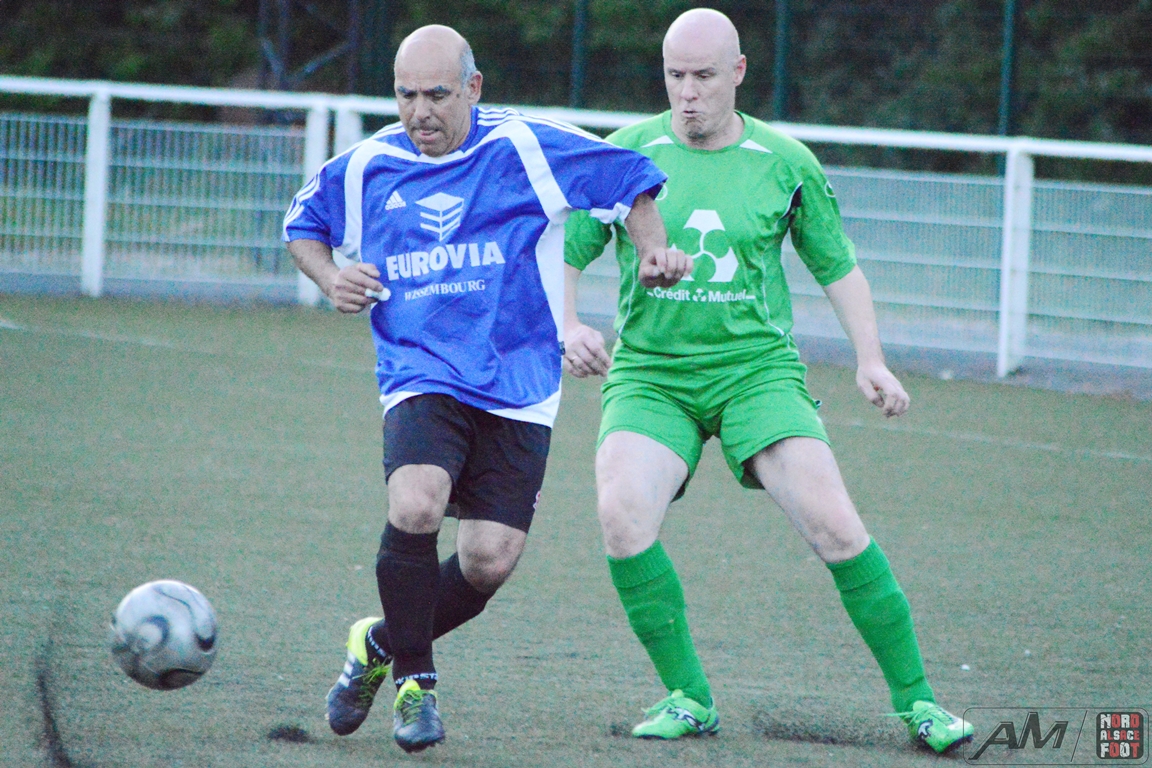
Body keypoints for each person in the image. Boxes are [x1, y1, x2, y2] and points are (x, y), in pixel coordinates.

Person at [563, 8, 974, 754]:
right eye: (675, 76)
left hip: (757, 373)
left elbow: (837, 266)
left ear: (739, 72)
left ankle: (919, 702)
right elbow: (565, 251)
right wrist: (566, 323)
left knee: (835, 525)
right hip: (651, 375)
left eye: (703, 76)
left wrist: (871, 359)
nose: (688, 93)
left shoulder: (785, 162)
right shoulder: (625, 153)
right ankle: (690, 697)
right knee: (621, 515)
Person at [283, 24, 683, 754]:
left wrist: (653, 249)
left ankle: (378, 643)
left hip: (518, 383)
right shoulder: (370, 165)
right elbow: (302, 225)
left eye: (436, 94)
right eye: (405, 95)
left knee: (488, 561)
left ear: (473, 88)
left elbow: (630, 178)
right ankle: (417, 687)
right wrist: (331, 275)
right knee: (416, 502)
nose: (419, 112)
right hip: (421, 369)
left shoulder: (523, 148)